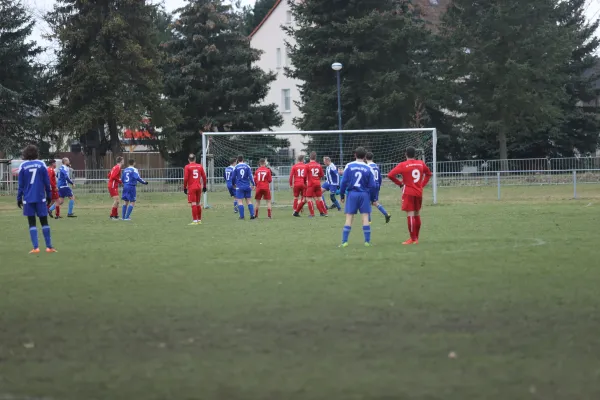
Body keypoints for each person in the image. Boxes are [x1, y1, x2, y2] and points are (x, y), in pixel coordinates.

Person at [387, 146, 432, 244]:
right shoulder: (421, 163)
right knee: (417, 213)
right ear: (415, 154)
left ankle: (413, 238)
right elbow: (429, 174)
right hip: (419, 192)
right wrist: (422, 184)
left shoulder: (403, 165)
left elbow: (390, 175)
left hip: (408, 192)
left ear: (405, 154)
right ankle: (416, 238)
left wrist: (400, 184)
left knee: (410, 214)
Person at [16, 145, 56, 253]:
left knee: (32, 222)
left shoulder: (23, 166)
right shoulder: (41, 164)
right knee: (44, 221)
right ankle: (49, 247)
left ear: (25, 154)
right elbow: (47, 182)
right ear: (36, 153)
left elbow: (21, 184)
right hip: (40, 198)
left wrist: (19, 198)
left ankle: (36, 248)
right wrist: (49, 195)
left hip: (28, 199)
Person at [339, 147, 376, 247]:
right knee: (365, 217)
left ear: (355, 155)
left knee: (349, 217)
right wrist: (373, 198)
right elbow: (373, 186)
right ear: (364, 156)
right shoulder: (368, 168)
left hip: (352, 194)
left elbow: (343, 182)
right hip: (364, 194)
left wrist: (342, 195)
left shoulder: (349, 166)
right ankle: (367, 242)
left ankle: (344, 242)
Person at [366, 152, 391, 224]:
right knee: (374, 202)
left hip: (371, 186)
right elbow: (380, 178)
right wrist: (379, 186)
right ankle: (386, 214)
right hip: (376, 185)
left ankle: (369, 221)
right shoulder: (376, 166)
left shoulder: (367, 166)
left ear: (365, 158)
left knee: (367, 202)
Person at [183, 154, 207, 225]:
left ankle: (195, 221)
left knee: (193, 203)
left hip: (192, 187)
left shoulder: (187, 167)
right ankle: (199, 220)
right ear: (195, 159)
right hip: (198, 187)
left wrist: (184, 187)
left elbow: (186, 178)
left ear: (188, 159)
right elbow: (204, 177)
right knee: (198, 203)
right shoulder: (200, 166)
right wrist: (204, 186)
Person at [231, 155, 255, 220]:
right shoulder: (247, 166)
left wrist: (233, 184)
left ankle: (242, 216)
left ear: (237, 160)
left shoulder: (235, 167)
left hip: (239, 187)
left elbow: (233, 177)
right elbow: (250, 176)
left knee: (240, 201)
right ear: (243, 159)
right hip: (247, 186)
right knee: (249, 201)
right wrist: (253, 184)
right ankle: (252, 215)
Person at [305, 151, 327, 217]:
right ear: (315, 158)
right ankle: (324, 212)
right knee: (319, 198)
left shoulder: (307, 165)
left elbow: (305, 175)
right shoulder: (318, 165)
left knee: (308, 198)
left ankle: (312, 214)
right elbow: (322, 175)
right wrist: (317, 179)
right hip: (317, 183)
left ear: (310, 157)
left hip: (311, 183)